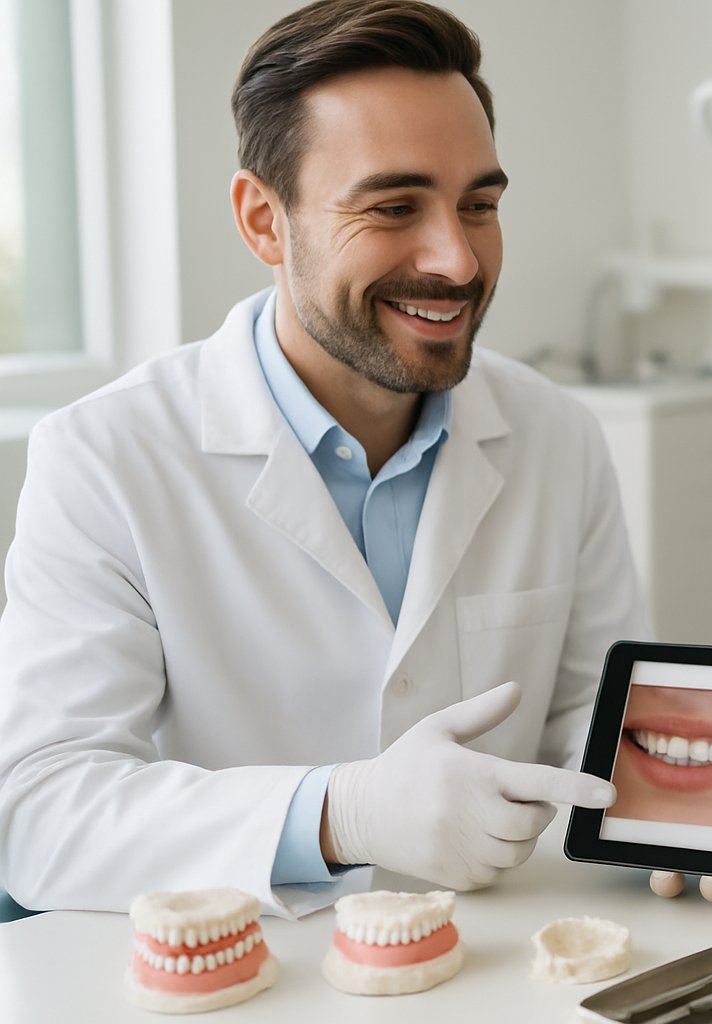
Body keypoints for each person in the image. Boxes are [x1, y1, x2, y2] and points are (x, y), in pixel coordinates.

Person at [0, 0, 647, 919]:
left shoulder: (556, 435)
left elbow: (593, 725)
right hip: (250, 978)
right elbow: (41, 814)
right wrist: (343, 814)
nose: (457, 261)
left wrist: (678, 821)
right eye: (394, 206)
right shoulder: (105, 457)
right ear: (264, 221)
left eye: (480, 206)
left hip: (502, 964)